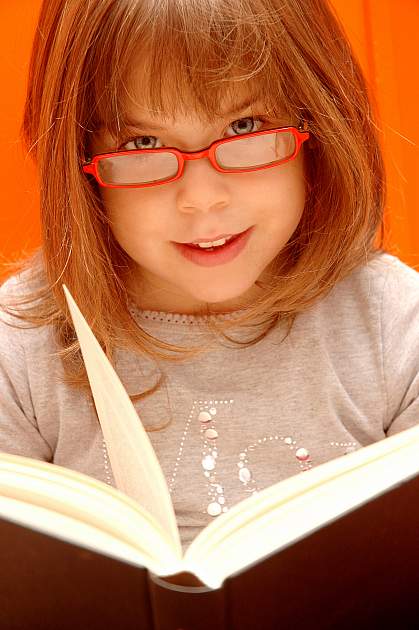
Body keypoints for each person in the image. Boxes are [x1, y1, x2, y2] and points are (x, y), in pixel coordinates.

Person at [0, 0, 418, 550]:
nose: (202, 199)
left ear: (317, 125)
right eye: (142, 144)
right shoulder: (23, 349)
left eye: (244, 126)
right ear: (79, 159)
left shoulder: (394, 325)